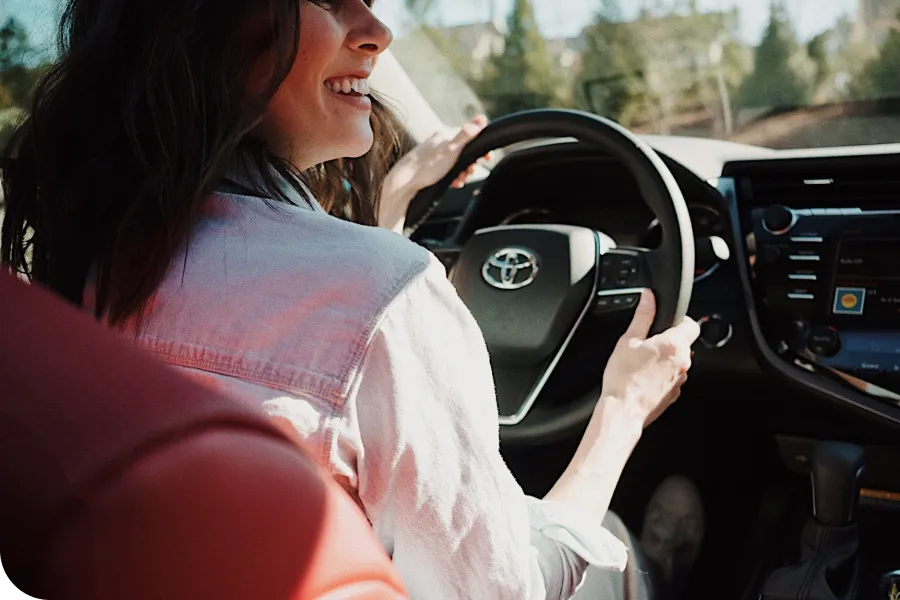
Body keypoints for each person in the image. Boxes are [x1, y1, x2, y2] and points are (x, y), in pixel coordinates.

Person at [0, 1, 703, 599]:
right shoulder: (389, 293)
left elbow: (309, 342)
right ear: (206, 20)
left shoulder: (92, 266)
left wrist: (392, 203)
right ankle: (658, 564)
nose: (377, 30)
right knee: (607, 539)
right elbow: (502, 589)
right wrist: (621, 412)